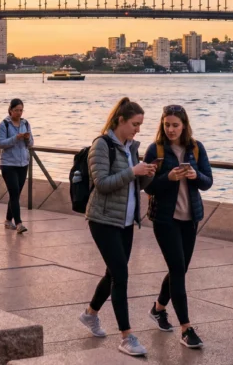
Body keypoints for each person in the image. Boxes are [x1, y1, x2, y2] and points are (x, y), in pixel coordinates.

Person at [77, 97, 155, 357]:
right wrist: (133, 171)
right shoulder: (101, 145)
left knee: (113, 273)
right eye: (135, 124)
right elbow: (102, 183)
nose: (138, 129)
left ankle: (90, 314)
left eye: (141, 125)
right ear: (120, 121)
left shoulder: (131, 147)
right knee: (121, 275)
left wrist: (146, 176)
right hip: (103, 220)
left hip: (126, 222)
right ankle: (126, 336)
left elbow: (133, 185)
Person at [142, 104, 211, 350]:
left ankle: (159, 308)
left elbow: (208, 182)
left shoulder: (196, 148)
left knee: (179, 269)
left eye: (175, 125)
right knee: (178, 270)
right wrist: (167, 178)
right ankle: (186, 328)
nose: (170, 129)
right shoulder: (155, 150)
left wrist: (195, 176)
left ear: (184, 125)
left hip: (190, 218)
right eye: (166, 124)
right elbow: (147, 186)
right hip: (164, 219)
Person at [0, 98, 33, 233]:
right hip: (8, 164)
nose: (19, 113)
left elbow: (31, 144)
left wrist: (27, 138)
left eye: (21, 110)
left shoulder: (25, 123)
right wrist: (16, 138)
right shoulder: (4, 125)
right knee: (14, 193)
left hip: (23, 164)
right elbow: (0, 143)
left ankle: (7, 220)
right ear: (10, 110)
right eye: (16, 110)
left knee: (15, 194)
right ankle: (19, 224)